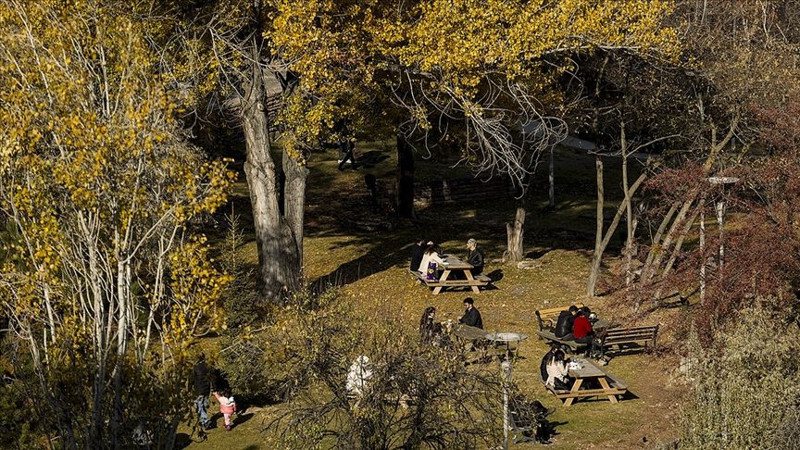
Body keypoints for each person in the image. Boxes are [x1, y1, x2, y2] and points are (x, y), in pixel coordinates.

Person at [192, 353, 212, 430]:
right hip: (206, 389)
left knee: (200, 405)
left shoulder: (195, 368)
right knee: (202, 404)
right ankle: (203, 420)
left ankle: (205, 421)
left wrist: (189, 389)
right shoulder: (208, 366)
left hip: (199, 390)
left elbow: (191, 379)